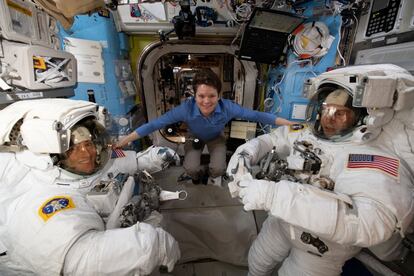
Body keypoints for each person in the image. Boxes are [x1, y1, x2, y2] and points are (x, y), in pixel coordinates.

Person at [226, 65, 414, 276]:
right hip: (282, 222)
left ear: (363, 117)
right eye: (325, 109)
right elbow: (272, 139)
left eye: (339, 113)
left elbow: (369, 223)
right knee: (258, 260)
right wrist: (246, 152)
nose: (327, 119)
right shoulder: (308, 134)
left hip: (320, 246)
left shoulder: (373, 158)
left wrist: (273, 195)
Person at [0, 98, 181, 276]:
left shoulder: (86, 165)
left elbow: (116, 161)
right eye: (73, 149)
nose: (86, 153)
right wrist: (155, 246)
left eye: (88, 144)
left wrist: (151, 158)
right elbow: (83, 259)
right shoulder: (41, 195)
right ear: (51, 156)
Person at [115, 69, 294, 185]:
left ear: (219, 95)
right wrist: (126, 140)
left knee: (218, 169)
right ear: (194, 95)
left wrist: (287, 123)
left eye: (211, 96)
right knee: (191, 168)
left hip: (217, 138)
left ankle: (212, 175)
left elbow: (257, 115)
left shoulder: (228, 107)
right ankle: (198, 176)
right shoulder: (186, 109)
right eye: (201, 96)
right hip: (195, 137)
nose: (206, 101)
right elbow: (155, 124)